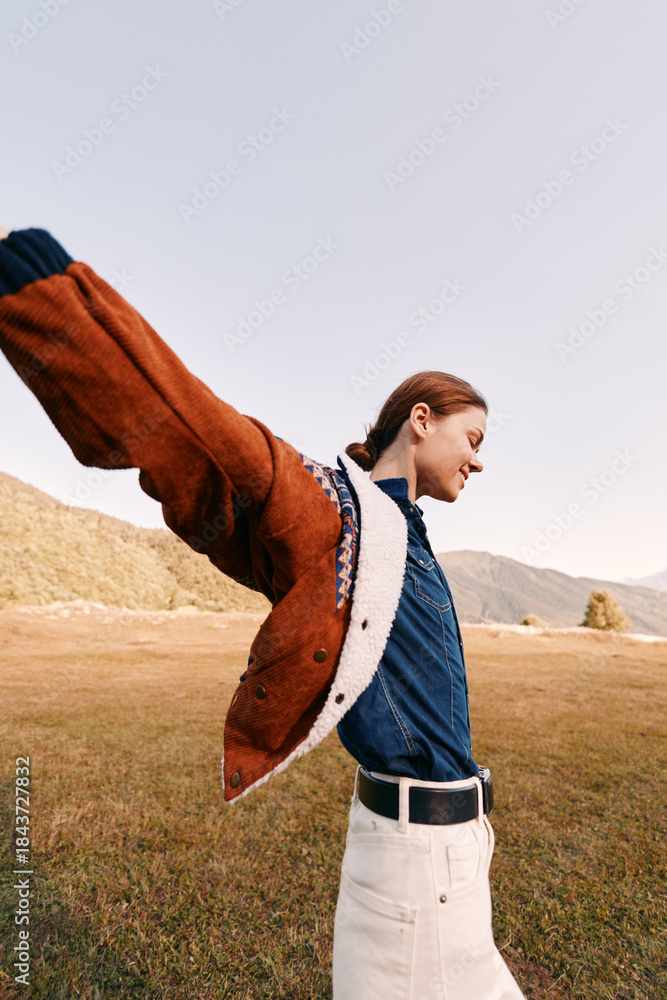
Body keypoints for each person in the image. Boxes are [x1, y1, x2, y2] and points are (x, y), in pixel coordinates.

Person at [0, 224, 525, 998]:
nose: (478, 459)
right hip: (419, 868)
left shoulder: (402, 533)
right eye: (470, 437)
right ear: (420, 419)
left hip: (453, 853)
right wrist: (31, 281)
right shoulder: (334, 517)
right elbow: (190, 433)